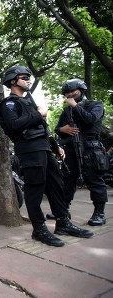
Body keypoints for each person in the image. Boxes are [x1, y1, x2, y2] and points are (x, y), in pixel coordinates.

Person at [0, 65, 93, 247]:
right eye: (24, 77)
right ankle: (39, 229)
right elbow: (14, 125)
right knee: (35, 188)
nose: (27, 80)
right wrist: (38, 113)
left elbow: (44, 130)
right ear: (12, 81)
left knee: (57, 185)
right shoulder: (9, 103)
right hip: (29, 149)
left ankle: (63, 222)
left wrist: (55, 147)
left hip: (44, 148)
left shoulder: (28, 101)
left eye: (28, 77)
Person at [53, 79, 108, 226]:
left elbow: (90, 120)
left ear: (81, 89)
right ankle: (63, 210)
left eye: (73, 91)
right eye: (67, 93)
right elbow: (58, 129)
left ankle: (99, 213)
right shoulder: (67, 111)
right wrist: (62, 130)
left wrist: (75, 106)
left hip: (91, 148)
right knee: (67, 180)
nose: (70, 94)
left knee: (95, 180)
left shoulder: (95, 105)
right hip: (72, 149)